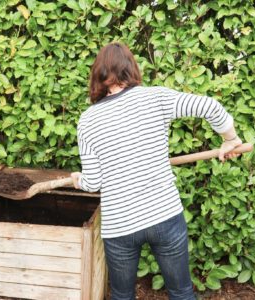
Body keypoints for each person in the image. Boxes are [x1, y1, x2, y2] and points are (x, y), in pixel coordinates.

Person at [70, 42, 242, 300]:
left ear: (98, 74)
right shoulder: (156, 98)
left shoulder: (88, 120)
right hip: (164, 215)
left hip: (120, 225)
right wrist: (230, 139)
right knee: (182, 292)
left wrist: (78, 180)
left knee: (122, 295)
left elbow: (94, 182)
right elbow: (211, 107)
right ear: (131, 68)